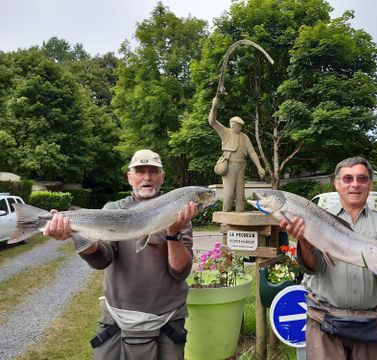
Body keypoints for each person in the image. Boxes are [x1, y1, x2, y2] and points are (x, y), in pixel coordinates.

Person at [44, 149, 198, 360]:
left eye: (153, 171)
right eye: (140, 171)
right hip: (116, 319)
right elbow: (102, 259)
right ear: (129, 177)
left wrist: (173, 232)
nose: (147, 177)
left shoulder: (178, 212)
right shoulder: (113, 209)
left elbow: (180, 271)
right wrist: (76, 234)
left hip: (168, 319)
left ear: (162, 177)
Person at [279, 156, 377, 360]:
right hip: (324, 321)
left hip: (371, 324)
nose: (354, 184)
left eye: (362, 178)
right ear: (336, 184)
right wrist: (304, 241)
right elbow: (312, 268)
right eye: (347, 179)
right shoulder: (316, 218)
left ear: (370, 183)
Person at [209, 96, 266, 212]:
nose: (238, 127)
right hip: (229, 166)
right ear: (231, 124)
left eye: (240, 126)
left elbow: (252, 152)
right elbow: (212, 122)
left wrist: (259, 167)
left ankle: (240, 218)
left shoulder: (244, 137)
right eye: (236, 125)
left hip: (241, 166)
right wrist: (214, 107)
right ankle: (226, 218)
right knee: (229, 194)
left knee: (240, 196)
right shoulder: (226, 132)